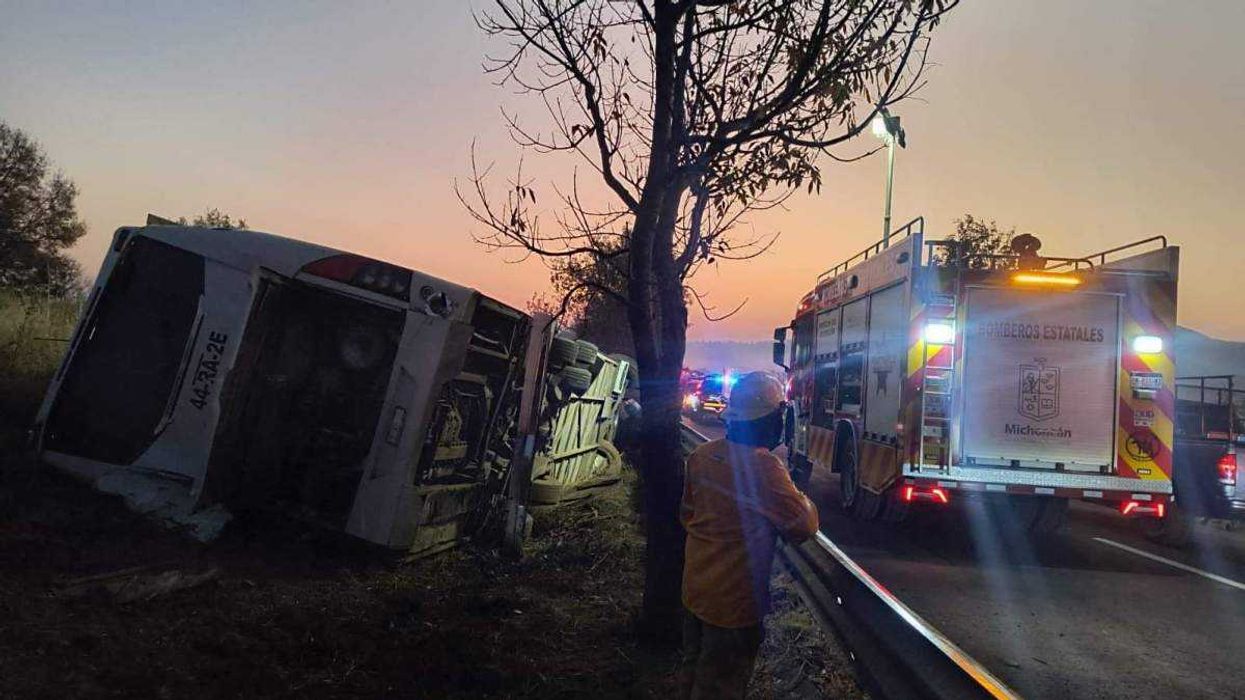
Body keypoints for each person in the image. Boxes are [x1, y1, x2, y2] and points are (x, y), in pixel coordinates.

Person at [679, 372, 820, 700]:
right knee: (722, 685)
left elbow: (687, 514)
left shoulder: (701, 456)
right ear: (770, 420)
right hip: (733, 605)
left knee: (692, 670)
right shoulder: (764, 467)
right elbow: (805, 524)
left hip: (695, 591)